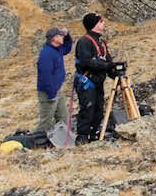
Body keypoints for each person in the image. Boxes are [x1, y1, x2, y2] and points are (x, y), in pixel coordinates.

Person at [72, 13, 115, 143]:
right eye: (101, 21)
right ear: (94, 24)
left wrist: (114, 69)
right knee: (88, 108)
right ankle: (83, 137)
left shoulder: (101, 42)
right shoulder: (84, 41)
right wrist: (106, 65)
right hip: (87, 82)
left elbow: (108, 61)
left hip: (98, 81)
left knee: (98, 108)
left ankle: (95, 133)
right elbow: (87, 62)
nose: (104, 23)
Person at [35, 26, 72, 135]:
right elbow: (45, 77)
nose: (62, 38)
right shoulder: (46, 54)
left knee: (63, 117)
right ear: (54, 38)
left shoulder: (57, 49)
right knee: (46, 121)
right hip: (48, 92)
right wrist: (51, 94)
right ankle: (37, 143)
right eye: (61, 36)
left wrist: (67, 34)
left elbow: (68, 47)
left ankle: (64, 141)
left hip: (57, 90)